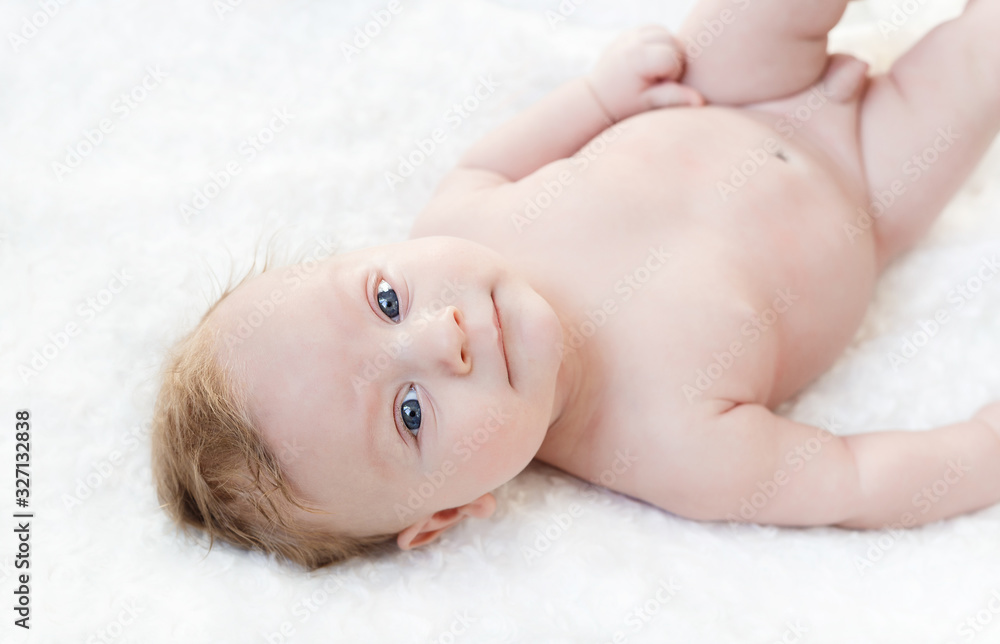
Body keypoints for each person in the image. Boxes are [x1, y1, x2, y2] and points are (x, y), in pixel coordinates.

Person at [151, 0, 1000, 570]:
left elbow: (492, 161)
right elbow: (848, 480)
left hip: (721, 88)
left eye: (385, 302)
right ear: (448, 512)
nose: (438, 333)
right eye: (410, 413)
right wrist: (976, 455)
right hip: (868, 185)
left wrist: (598, 96)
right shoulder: (664, 447)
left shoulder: (459, 223)